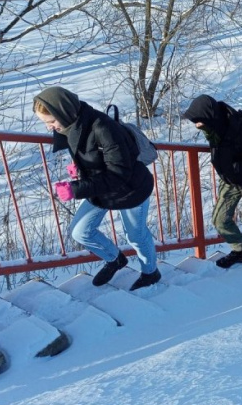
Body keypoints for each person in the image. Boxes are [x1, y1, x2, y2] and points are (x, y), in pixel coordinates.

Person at [33, 87, 161, 291]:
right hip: (102, 189)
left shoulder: (104, 128)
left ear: (63, 112)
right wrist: (80, 167)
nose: (49, 128)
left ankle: (150, 272)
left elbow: (118, 173)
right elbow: (95, 155)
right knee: (80, 231)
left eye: (51, 121)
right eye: (46, 123)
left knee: (135, 235)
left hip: (131, 188)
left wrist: (76, 189)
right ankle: (115, 259)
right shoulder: (71, 126)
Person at [182, 95, 242, 268]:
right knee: (220, 220)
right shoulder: (214, 129)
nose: (196, 125)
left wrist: (238, 170)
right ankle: (240, 251)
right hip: (232, 180)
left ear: (209, 117)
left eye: (198, 121)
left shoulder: (240, 131)